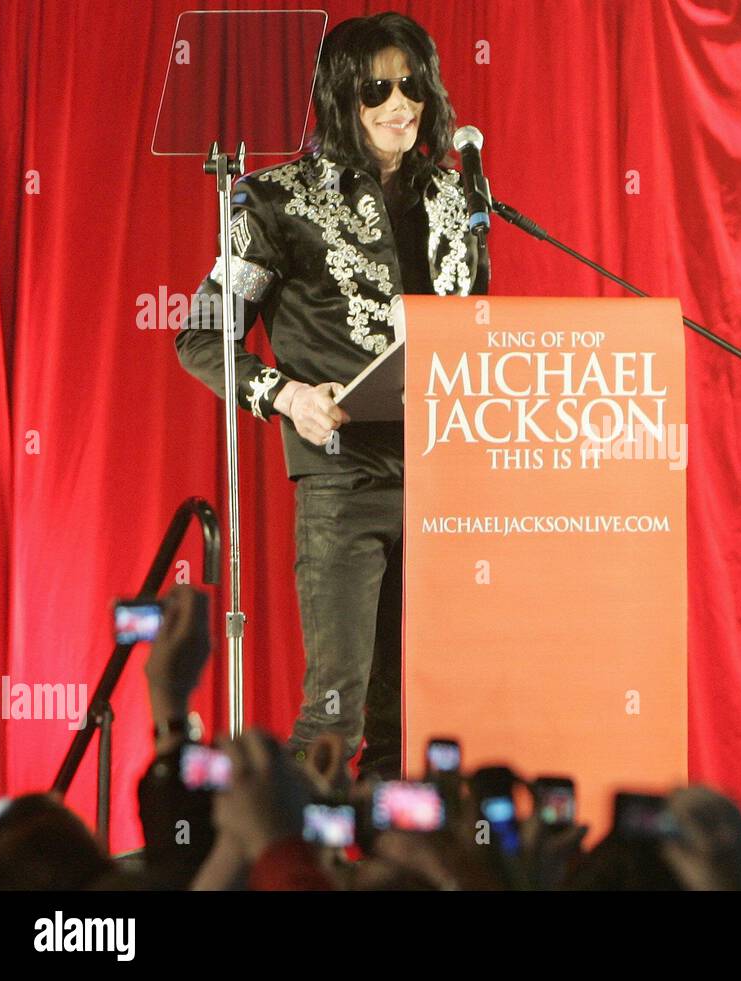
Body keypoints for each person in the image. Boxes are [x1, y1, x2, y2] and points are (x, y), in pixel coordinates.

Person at [176, 12, 488, 781]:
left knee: (409, 715)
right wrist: (285, 396)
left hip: (444, 476)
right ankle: (283, 857)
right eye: (377, 86)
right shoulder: (273, 201)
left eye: (411, 83)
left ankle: (389, 869)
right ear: (342, 95)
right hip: (343, 478)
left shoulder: (456, 199)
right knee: (336, 710)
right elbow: (200, 336)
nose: (398, 102)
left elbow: (476, 323)